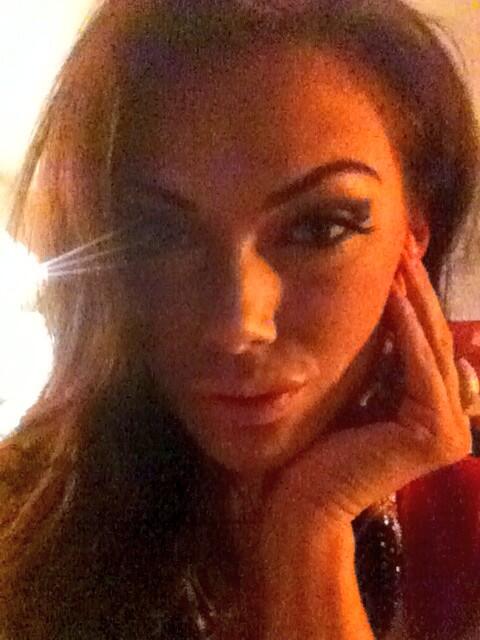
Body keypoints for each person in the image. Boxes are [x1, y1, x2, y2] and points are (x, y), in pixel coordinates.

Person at [1, 0, 479, 638]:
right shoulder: (20, 517)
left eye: (320, 226)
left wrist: (311, 532)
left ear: (414, 232)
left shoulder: (466, 526)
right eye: (161, 233)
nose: (237, 326)